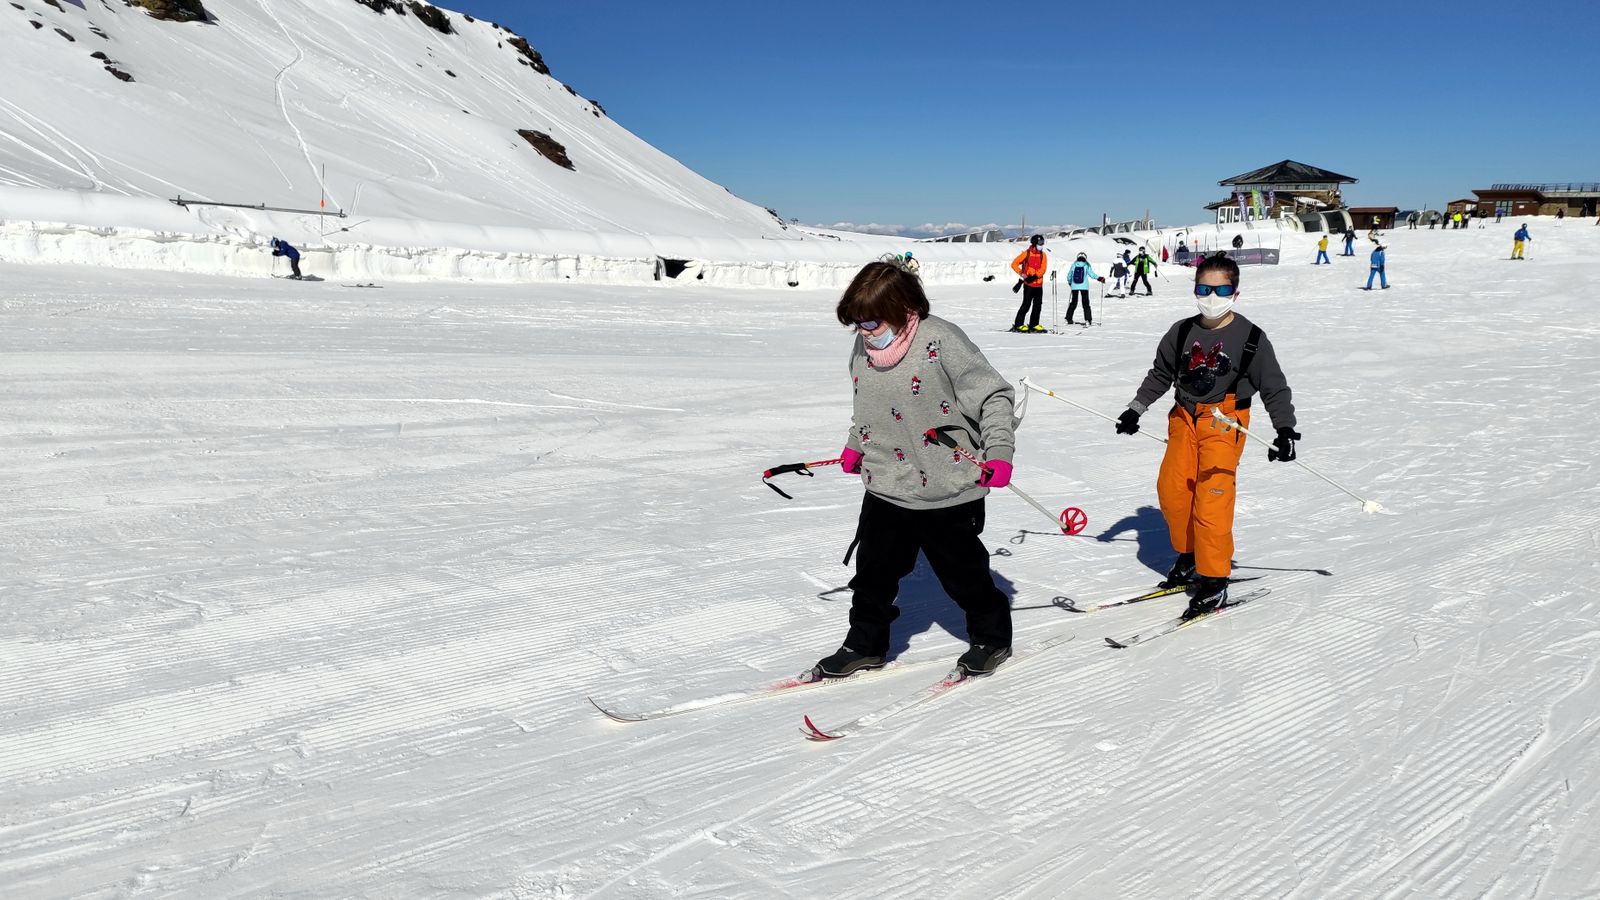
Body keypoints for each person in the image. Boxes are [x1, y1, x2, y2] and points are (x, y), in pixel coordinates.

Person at [816, 258, 1018, 678]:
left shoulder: (941, 340)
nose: (864, 332)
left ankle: (991, 638)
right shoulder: (866, 346)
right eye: (857, 324)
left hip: (948, 487)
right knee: (872, 575)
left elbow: (994, 396)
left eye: (870, 322)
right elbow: (869, 407)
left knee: (964, 577)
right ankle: (864, 644)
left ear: (901, 307)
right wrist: (856, 443)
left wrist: (999, 451)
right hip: (886, 484)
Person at [1113, 255, 1298, 617]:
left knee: (1212, 500)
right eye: (1204, 289)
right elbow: (1160, 374)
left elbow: (1274, 387)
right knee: (1173, 491)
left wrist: (1285, 429)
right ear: (1195, 289)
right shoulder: (1181, 332)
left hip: (1225, 421)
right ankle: (1191, 554)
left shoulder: (1251, 338)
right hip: (1183, 418)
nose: (1212, 296)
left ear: (1235, 292)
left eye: (1221, 289)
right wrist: (1136, 408)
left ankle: (1214, 579)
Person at [1010, 235, 1049, 333]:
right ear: (1035, 243)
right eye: (1040, 243)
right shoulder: (1026, 253)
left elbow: (1043, 269)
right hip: (1028, 285)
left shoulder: (1043, 255)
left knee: (1038, 305)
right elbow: (1014, 263)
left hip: (1039, 285)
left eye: (1042, 243)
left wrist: (1034, 277)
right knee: (1026, 305)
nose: (1042, 245)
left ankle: (1034, 324)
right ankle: (1018, 325)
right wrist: (1021, 273)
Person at [1065, 252, 1105, 325]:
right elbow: (1092, 274)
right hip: (1084, 287)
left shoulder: (1074, 264)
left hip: (1074, 286)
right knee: (1086, 303)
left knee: (1073, 302)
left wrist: (1070, 282)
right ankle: (1088, 320)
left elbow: (1069, 274)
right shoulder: (1086, 265)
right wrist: (1099, 278)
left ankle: (1068, 318)